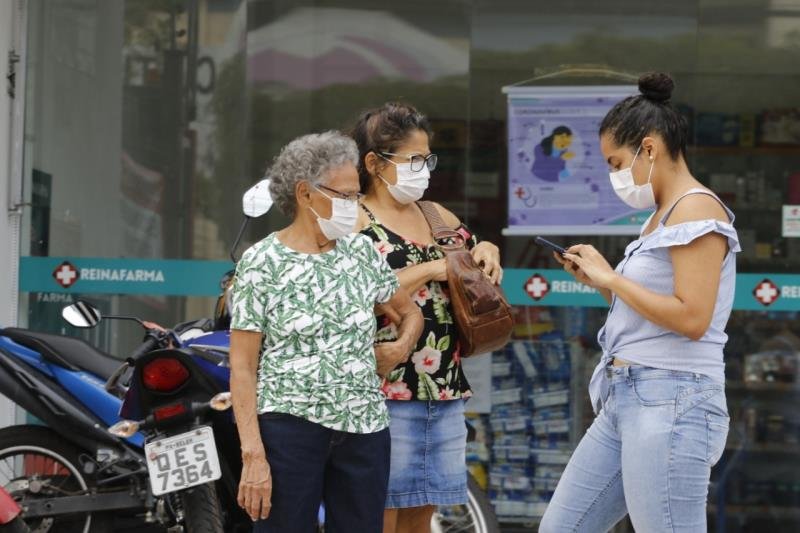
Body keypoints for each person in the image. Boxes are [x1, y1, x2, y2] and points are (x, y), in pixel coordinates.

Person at [539, 72, 740, 532]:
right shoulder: (661, 216)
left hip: (672, 396)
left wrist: (612, 276)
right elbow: (654, 310)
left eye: (616, 162)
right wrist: (601, 282)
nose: (613, 176)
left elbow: (692, 318)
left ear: (649, 149)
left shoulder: (696, 209)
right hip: (627, 395)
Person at [228, 131, 423, 533]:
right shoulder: (262, 262)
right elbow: (243, 367)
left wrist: (399, 348)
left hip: (365, 428)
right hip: (289, 429)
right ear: (305, 193)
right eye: (345, 195)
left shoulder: (362, 251)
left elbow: (411, 313)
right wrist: (253, 455)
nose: (354, 206)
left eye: (356, 195)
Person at [350, 102, 503, 533]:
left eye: (427, 158)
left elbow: (470, 256)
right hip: (384, 390)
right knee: (378, 511)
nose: (425, 168)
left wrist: (487, 249)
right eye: (413, 159)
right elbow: (351, 290)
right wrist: (432, 269)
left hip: (444, 388)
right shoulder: (356, 219)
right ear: (375, 164)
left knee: (423, 512)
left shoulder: (436, 214)